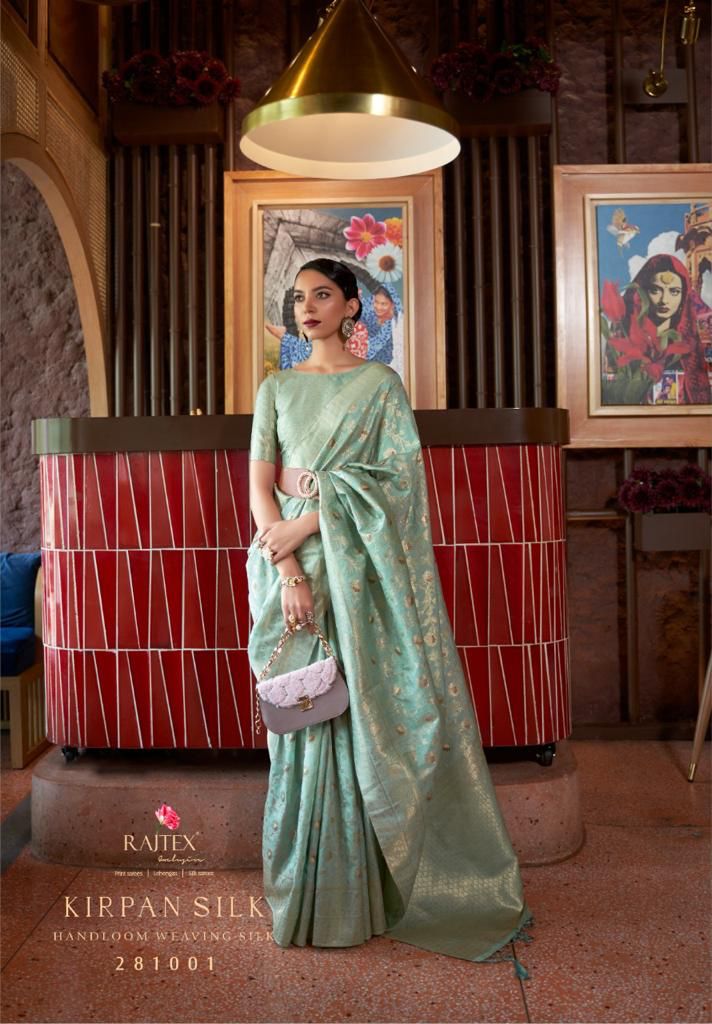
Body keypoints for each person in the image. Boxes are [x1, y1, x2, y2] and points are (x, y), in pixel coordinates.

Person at [246, 257, 534, 970]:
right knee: (305, 715)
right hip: (288, 568)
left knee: (362, 713)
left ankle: (376, 887)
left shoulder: (380, 385)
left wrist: (310, 520)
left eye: (323, 295)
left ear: (351, 306)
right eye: (299, 297)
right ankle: (312, 892)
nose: (308, 307)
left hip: (356, 568)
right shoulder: (276, 386)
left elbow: (399, 487)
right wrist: (288, 568)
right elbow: (259, 486)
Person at [604, 253, 711, 405]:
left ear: (683, 298)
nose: (664, 300)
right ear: (642, 293)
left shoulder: (688, 345)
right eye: (655, 290)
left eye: (674, 291)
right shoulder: (624, 335)